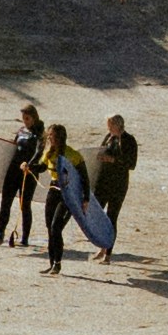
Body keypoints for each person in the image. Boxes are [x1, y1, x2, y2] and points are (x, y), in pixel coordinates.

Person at [0, 100, 44, 249]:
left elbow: (39, 152)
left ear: (34, 117)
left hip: (29, 172)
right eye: (23, 118)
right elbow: (13, 147)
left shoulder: (40, 134)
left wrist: (30, 164)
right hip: (14, 170)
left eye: (27, 119)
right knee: (5, 201)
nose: (25, 121)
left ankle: (25, 238)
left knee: (25, 205)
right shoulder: (22, 131)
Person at [90, 113, 138, 254]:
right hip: (104, 181)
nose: (108, 128)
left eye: (110, 125)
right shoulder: (108, 138)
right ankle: (101, 245)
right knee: (97, 212)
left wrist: (113, 160)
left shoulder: (129, 140)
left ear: (117, 125)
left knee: (112, 216)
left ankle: (107, 251)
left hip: (118, 183)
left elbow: (131, 163)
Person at [40, 118, 82, 271]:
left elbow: (84, 177)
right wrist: (27, 166)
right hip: (53, 192)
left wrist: (85, 199)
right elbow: (40, 167)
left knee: (56, 228)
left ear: (59, 137)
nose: (49, 138)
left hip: (68, 194)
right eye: (49, 136)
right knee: (49, 228)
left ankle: (58, 263)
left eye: (52, 136)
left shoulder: (73, 155)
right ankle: (51, 264)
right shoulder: (49, 153)